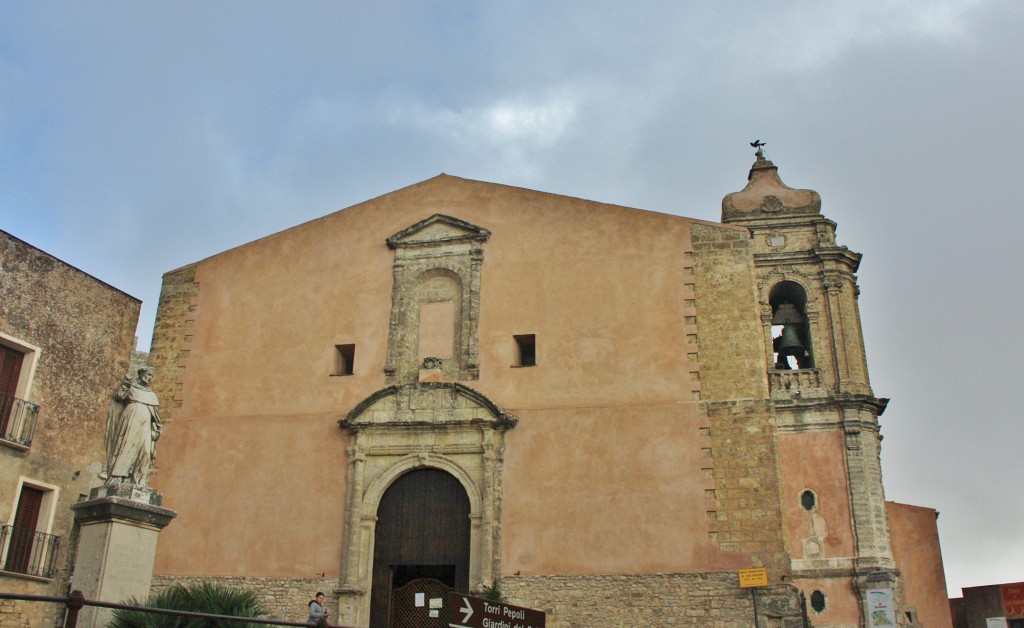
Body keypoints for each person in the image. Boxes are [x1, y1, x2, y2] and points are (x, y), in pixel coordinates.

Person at [105, 366, 162, 486]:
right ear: (141, 375)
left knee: (146, 451)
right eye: (148, 374)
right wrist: (126, 383)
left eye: (151, 375)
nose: (149, 377)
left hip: (146, 426)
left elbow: (155, 416)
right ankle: (117, 477)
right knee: (127, 446)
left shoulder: (152, 395)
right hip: (131, 420)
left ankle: (139, 480)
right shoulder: (132, 388)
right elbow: (119, 396)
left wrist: (157, 430)